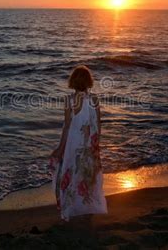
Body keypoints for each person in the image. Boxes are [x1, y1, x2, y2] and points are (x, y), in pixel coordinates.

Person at [50, 65, 107, 221]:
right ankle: (86, 206)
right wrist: (96, 144)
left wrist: (60, 148)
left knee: (71, 170)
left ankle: (71, 206)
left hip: (73, 141)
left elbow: (67, 125)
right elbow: (98, 124)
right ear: (88, 81)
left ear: (73, 81)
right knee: (87, 173)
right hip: (89, 143)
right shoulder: (94, 99)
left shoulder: (69, 100)